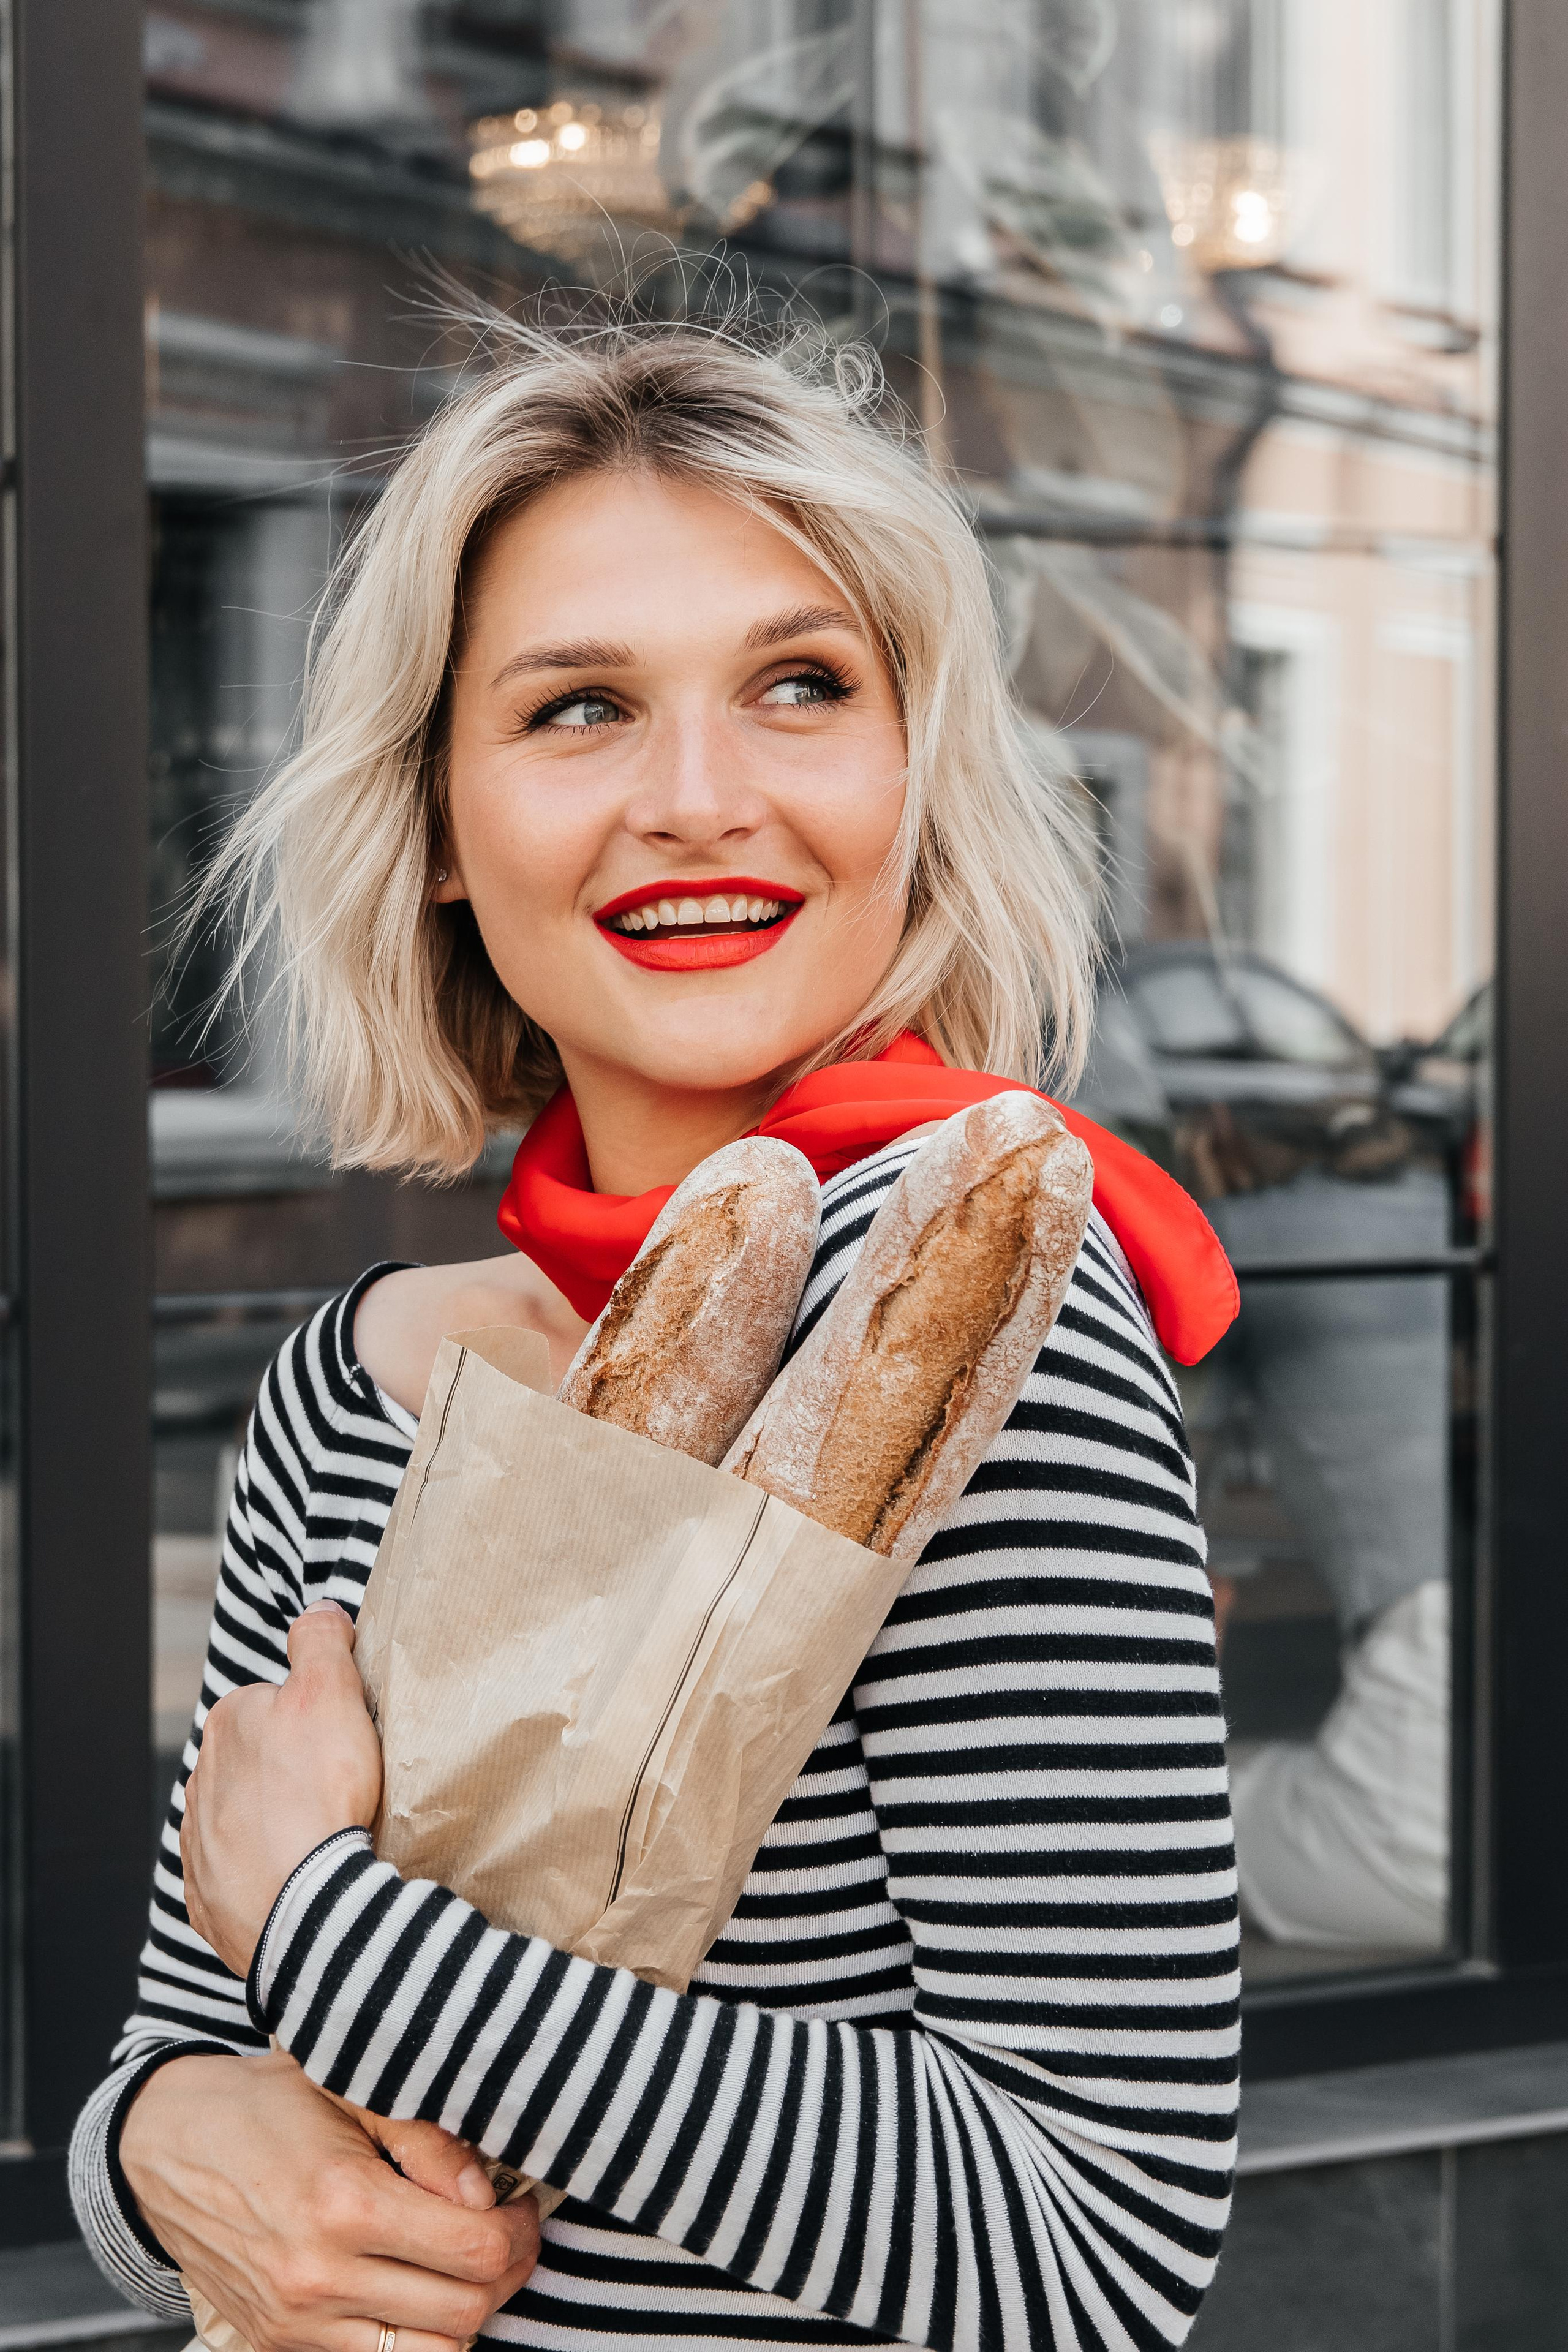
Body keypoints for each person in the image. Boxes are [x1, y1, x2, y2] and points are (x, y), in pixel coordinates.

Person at [70, 314, 1240, 2352]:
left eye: (802, 686)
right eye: (581, 707)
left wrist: (339, 1946)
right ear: (442, 825)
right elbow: (187, 2049)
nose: (699, 799)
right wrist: (157, 2151)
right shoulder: (348, 1387)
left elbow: (1095, 2248)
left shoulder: (970, 1323)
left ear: (912, 780)